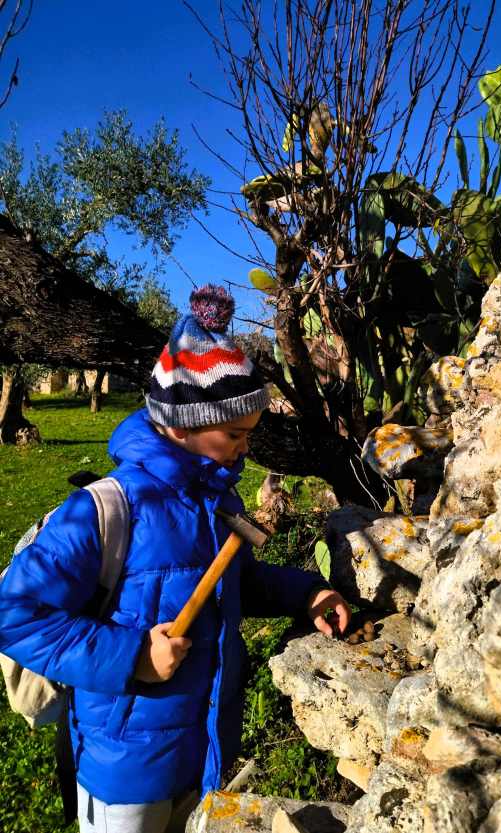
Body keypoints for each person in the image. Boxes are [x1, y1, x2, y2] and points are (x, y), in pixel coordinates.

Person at [0, 284, 351, 833]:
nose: (244, 448)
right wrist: (131, 655)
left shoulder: (216, 502)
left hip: (202, 750)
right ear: (185, 424)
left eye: (249, 435)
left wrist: (306, 592)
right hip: (124, 772)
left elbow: (229, 586)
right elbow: (14, 613)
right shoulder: (106, 509)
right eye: (235, 433)